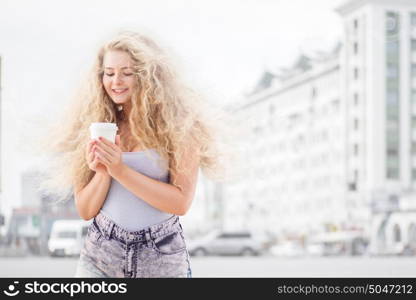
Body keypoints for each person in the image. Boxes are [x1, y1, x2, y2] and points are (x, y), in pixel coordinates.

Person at [38, 30, 237, 278]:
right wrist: (103, 173)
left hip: (161, 257)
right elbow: (86, 210)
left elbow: (180, 203)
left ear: (148, 75)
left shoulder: (181, 127)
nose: (116, 81)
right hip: (101, 254)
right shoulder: (96, 125)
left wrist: (120, 170)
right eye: (109, 73)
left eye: (127, 73)